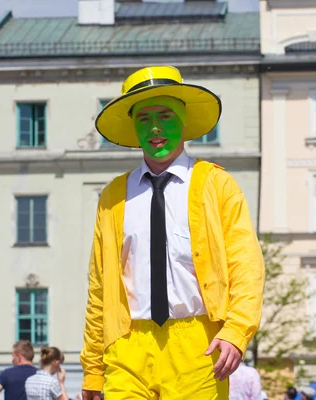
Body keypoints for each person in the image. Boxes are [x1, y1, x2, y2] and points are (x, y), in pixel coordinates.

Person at [80, 66, 265, 400]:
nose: (154, 128)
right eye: (144, 117)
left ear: (182, 120)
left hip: (198, 345)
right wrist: (93, 368)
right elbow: (100, 288)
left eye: (164, 115)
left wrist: (236, 330)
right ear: (133, 126)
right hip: (126, 345)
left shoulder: (217, 185)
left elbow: (246, 266)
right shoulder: (112, 196)